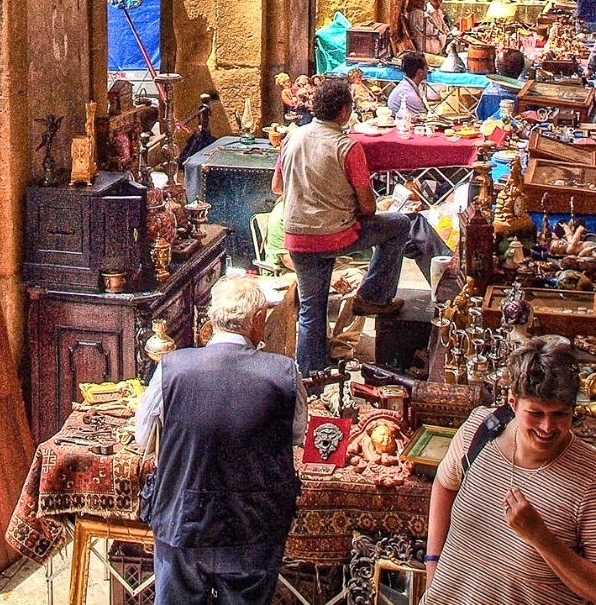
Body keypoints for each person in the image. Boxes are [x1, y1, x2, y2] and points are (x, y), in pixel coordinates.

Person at [422, 337, 596, 605]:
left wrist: (539, 536)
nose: (547, 427)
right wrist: (432, 566)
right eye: (536, 413)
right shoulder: (480, 430)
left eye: (559, 414)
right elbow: (444, 484)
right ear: (513, 402)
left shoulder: (594, 479)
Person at [137, 276, 305, 605]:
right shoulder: (285, 372)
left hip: (182, 523)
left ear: (212, 319)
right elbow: (295, 437)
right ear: (259, 320)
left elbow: (144, 437)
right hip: (254, 528)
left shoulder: (172, 368)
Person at [271, 77, 410, 375]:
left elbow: (279, 187)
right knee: (399, 224)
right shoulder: (347, 147)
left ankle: (311, 376)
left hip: (298, 238)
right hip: (335, 236)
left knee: (311, 310)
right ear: (345, 111)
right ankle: (373, 297)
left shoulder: (291, 138)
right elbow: (368, 207)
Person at [388, 51, 437, 123]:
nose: (428, 69)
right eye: (426, 67)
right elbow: (425, 121)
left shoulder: (405, 86)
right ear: (420, 72)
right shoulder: (410, 95)